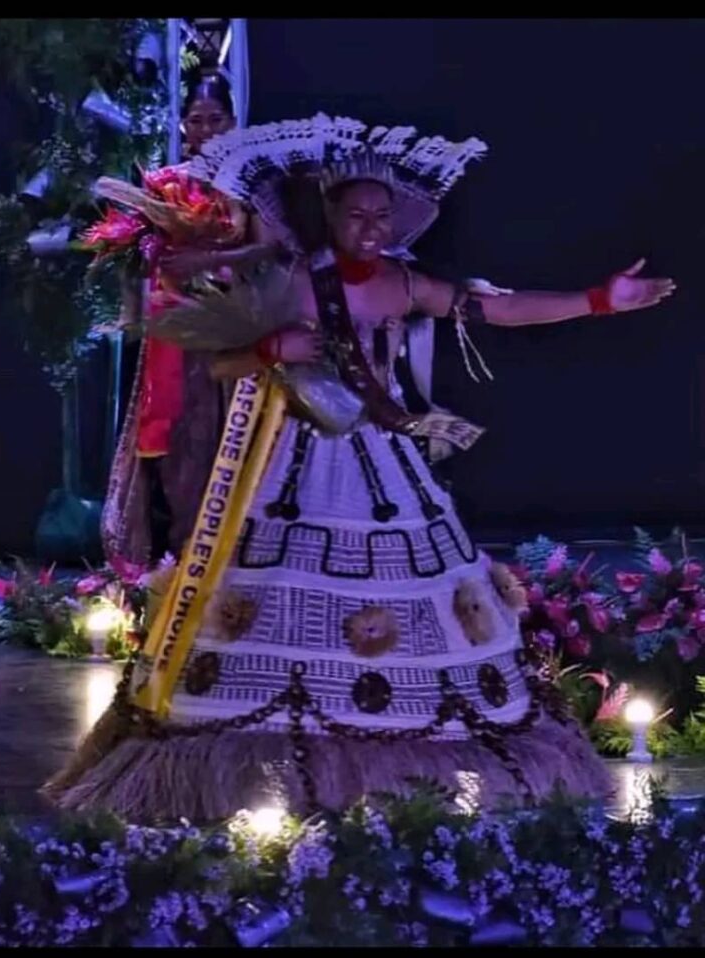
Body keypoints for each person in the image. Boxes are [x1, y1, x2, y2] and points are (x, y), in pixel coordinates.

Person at [46, 114, 674, 822]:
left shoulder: (405, 284)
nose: (371, 227)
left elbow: (501, 311)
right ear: (331, 215)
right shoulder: (286, 276)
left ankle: (399, 760)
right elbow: (224, 360)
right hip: (290, 462)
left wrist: (596, 301)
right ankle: (253, 760)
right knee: (277, 595)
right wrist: (274, 352)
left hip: (385, 458)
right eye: (357, 214)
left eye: (383, 215)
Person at [101, 73, 238, 564]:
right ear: (182, 127)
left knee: (225, 438)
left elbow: (271, 251)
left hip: (234, 330)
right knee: (179, 440)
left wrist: (212, 263)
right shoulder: (166, 185)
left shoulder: (249, 184)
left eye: (215, 120)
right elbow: (142, 254)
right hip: (174, 331)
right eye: (195, 121)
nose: (204, 130)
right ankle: (178, 553)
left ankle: (227, 560)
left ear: (234, 122)